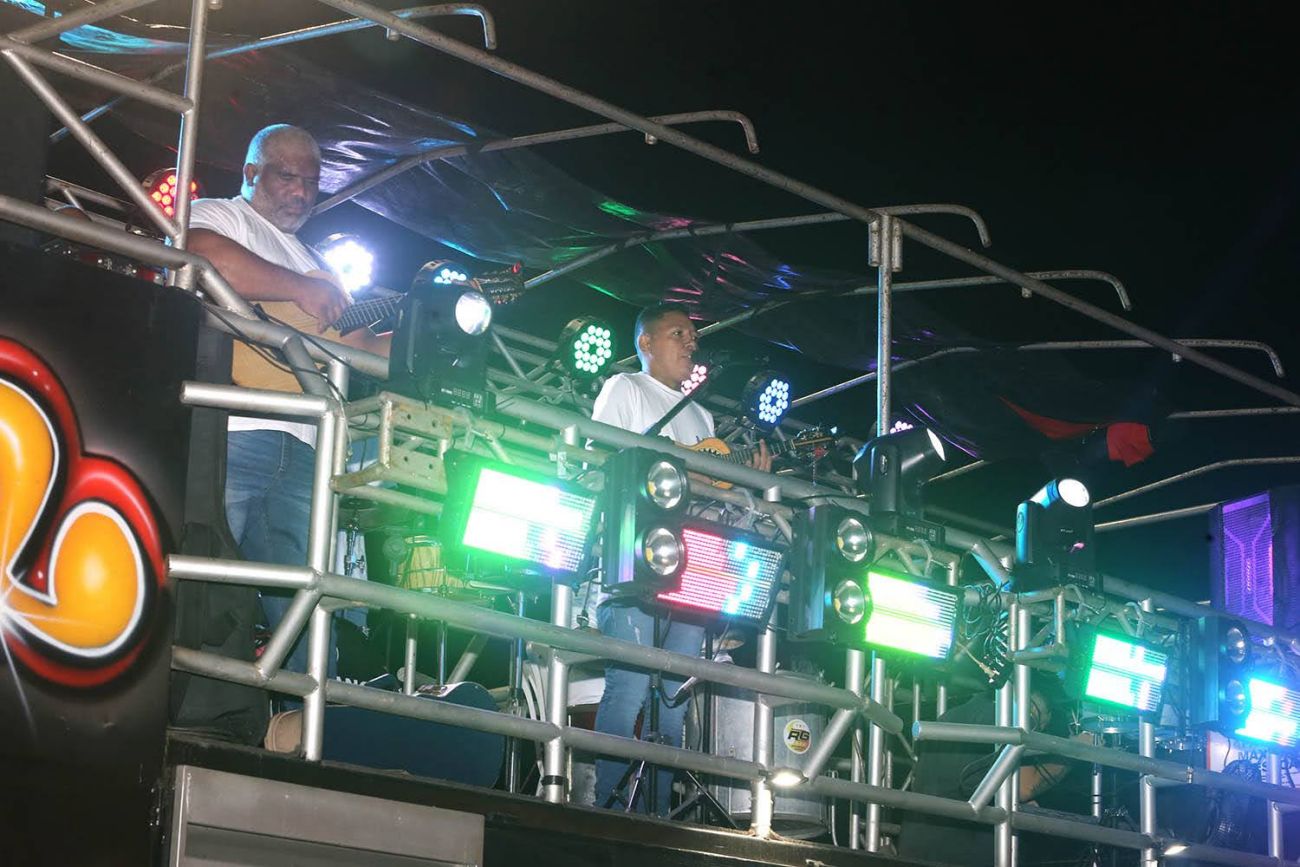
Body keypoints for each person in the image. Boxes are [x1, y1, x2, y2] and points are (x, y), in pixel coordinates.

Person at [187, 124, 389, 677]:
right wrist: (301, 287)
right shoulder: (222, 215)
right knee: (201, 578)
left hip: (305, 449)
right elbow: (199, 254)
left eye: (312, 182)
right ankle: (185, 704)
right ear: (251, 173)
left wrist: (439, 324)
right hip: (234, 432)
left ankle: (299, 718)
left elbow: (361, 348)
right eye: (288, 176)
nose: (301, 192)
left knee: (305, 601)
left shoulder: (318, 261)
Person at [588, 301, 770, 816]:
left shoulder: (702, 416)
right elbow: (603, 458)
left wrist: (749, 476)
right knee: (629, 685)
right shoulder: (625, 388)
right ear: (645, 343)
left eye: (693, 335)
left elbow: (716, 498)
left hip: (690, 569)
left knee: (674, 695)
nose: (692, 342)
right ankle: (607, 808)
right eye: (678, 333)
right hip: (634, 560)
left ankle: (658, 812)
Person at [896, 678, 1081, 866]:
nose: (1036, 729)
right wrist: (1075, 752)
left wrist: (1017, 803)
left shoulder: (950, 716)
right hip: (963, 850)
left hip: (917, 843)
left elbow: (960, 779)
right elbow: (1025, 786)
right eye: (1039, 724)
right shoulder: (1007, 722)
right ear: (1032, 708)